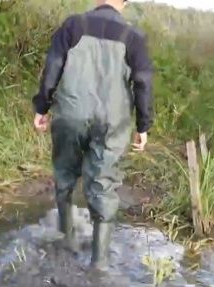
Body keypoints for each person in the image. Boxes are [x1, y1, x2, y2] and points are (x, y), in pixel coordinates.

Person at [32, 0, 154, 269]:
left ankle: (66, 243)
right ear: (124, 3)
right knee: (103, 185)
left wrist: (42, 107)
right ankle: (99, 265)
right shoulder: (134, 37)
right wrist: (143, 126)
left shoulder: (74, 25)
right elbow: (143, 82)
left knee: (64, 176)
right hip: (113, 121)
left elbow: (53, 67)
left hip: (71, 114)